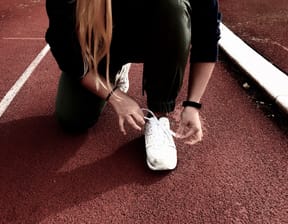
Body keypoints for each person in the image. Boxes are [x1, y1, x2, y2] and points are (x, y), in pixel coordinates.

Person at [45, 0, 221, 171]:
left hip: (154, 32)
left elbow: (208, 35)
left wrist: (192, 104)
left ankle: (158, 116)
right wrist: (115, 96)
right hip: (102, 38)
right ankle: (113, 71)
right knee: (72, 119)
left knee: (174, 6)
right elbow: (64, 49)